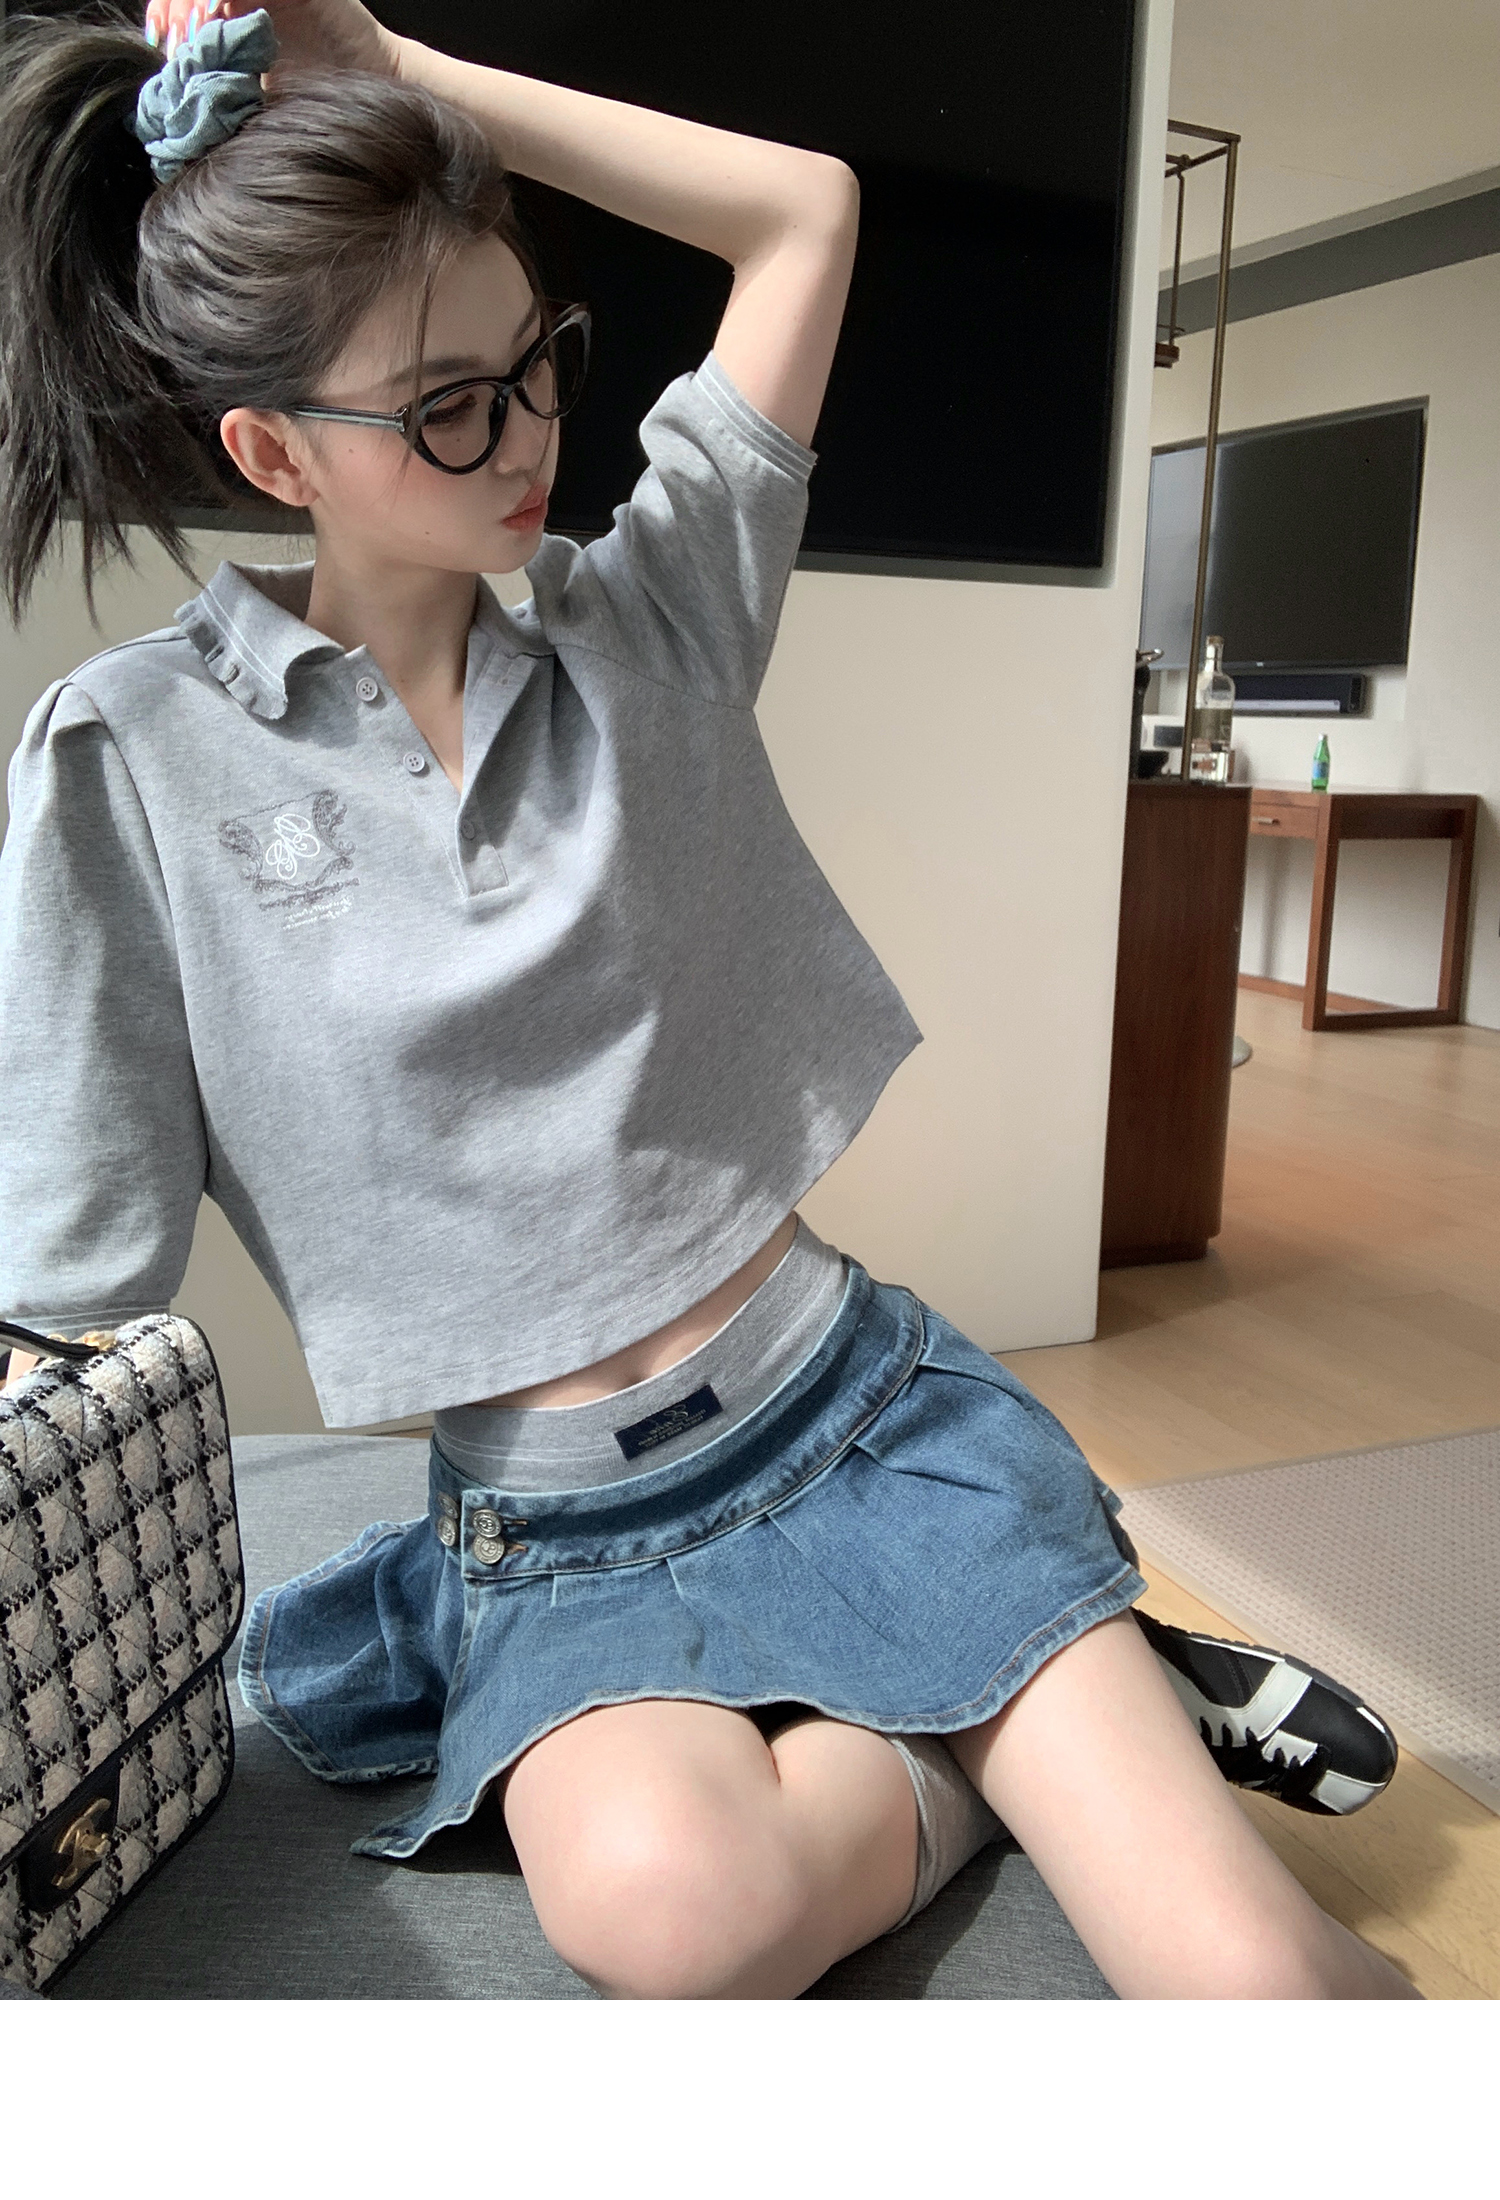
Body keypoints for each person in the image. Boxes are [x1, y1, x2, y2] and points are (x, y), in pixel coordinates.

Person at [0, 0, 1412, 1999]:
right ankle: (1030, 1710)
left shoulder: (649, 617)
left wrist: (397, 62)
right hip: (556, 1530)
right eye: (446, 406)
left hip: (862, 1415)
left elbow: (803, 214)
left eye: (538, 364)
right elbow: (68, 1263)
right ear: (270, 449)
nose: (526, 438)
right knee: (676, 1920)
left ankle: (1036, 1638)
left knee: (1265, 1990)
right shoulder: (127, 758)